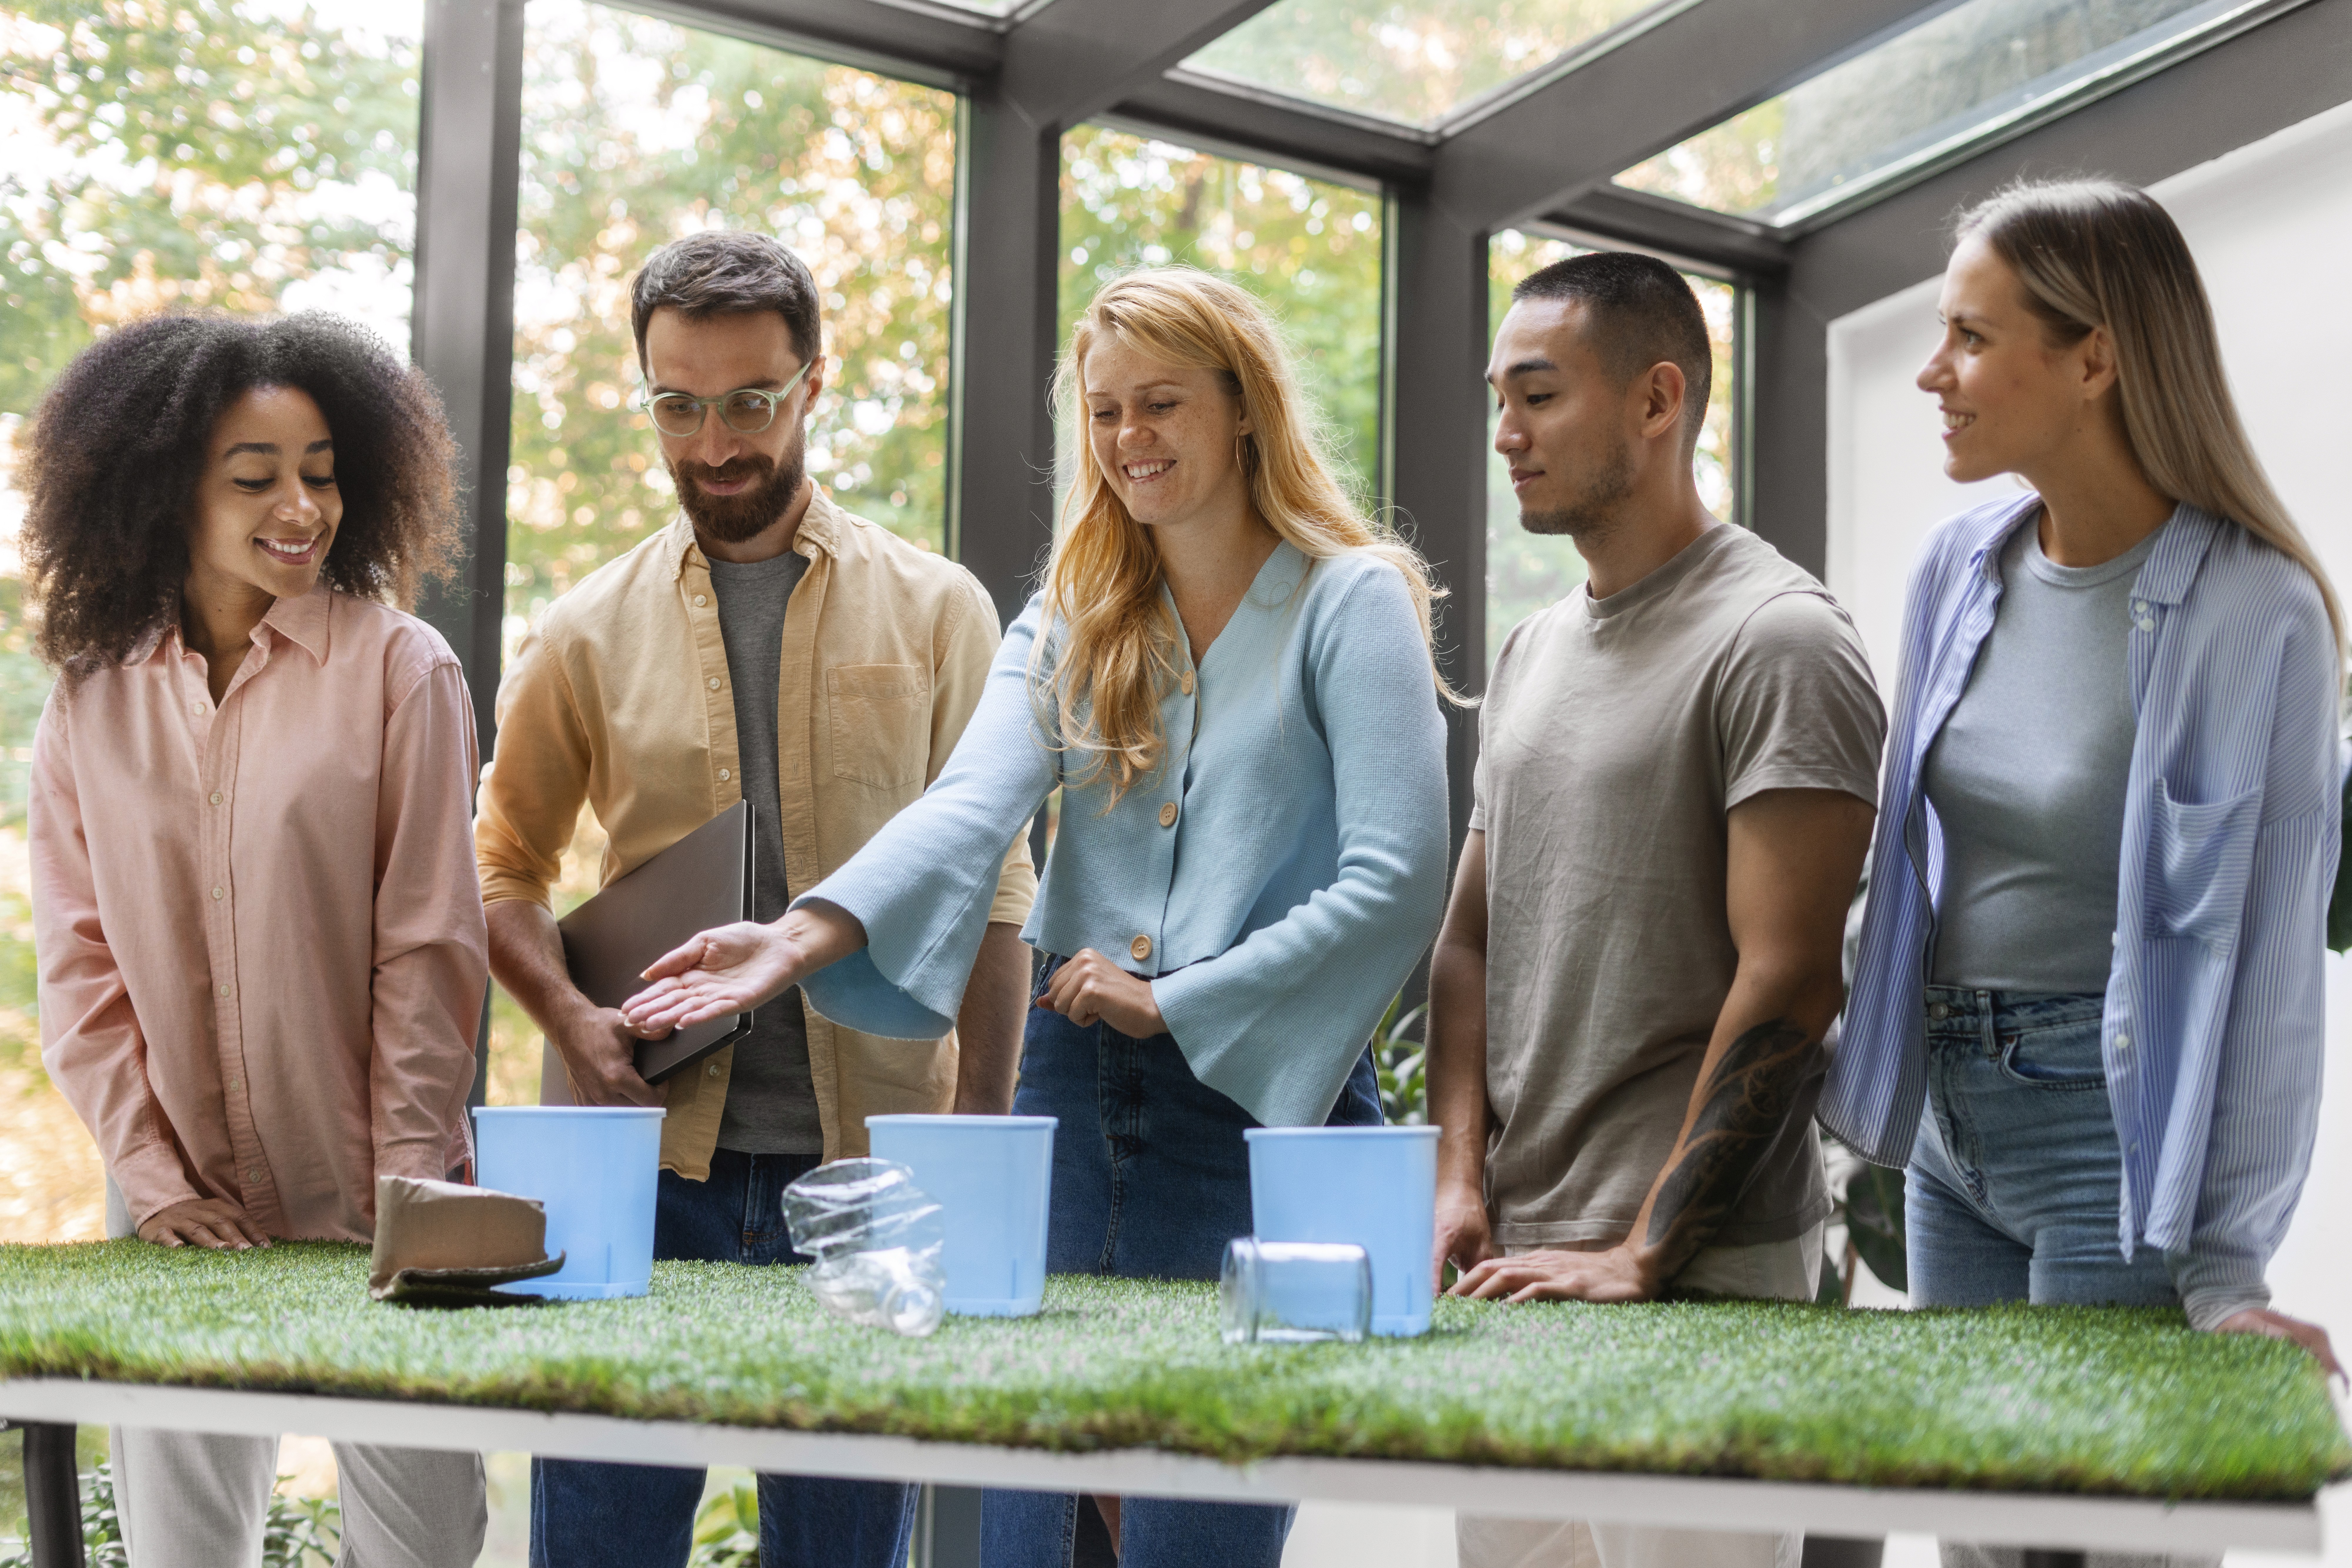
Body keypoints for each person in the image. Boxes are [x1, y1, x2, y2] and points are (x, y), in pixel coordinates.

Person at [617, 265, 1451, 1568]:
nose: (1128, 441)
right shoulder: (1075, 605)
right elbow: (969, 805)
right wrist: (795, 938)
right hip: (1072, 1094)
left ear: (1245, 408)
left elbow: (1396, 875)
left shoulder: (1352, 600)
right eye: (1104, 411)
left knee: (1196, 1534)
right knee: (1018, 1533)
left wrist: (1177, 997)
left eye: (1161, 404)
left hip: (1260, 1114)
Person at [475, 229, 1036, 1568]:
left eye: (748, 401)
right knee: (599, 1547)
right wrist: (567, 1016)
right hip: (641, 1172)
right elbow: (500, 869)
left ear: (814, 385)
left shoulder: (943, 612)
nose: (712, 440)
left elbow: (996, 895)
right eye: (678, 403)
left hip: (873, 1177)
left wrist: (975, 1138)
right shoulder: (580, 631)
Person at [1822, 179, 2342, 1568]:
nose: (1935, 373)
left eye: (1970, 339)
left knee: (2116, 1549)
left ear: (2094, 356)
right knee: (1982, 1545)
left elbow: (2271, 963)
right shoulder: (1955, 565)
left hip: (2103, 1144)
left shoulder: (2252, 607)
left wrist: (2225, 1262)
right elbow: (1910, 866)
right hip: (1948, 1137)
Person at [1426, 253, 1885, 1568]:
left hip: (1703, 1274)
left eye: (1538, 395)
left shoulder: (1777, 638)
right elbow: (1468, 938)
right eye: (1497, 399)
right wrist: (1459, 1176)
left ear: (1656, 399)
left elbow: (1792, 980)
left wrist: (1641, 1249)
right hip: (1518, 1264)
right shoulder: (1531, 649)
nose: (1505, 434)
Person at [25, 312, 489, 1567]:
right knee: (181, 1552)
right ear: (166, 486)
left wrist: (404, 1184)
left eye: (323, 470)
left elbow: (432, 949)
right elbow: (78, 969)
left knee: (423, 1545)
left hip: (380, 1199)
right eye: (257, 477)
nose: (303, 505)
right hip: (174, 1203)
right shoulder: (91, 697)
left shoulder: (403, 670)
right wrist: (158, 1178)